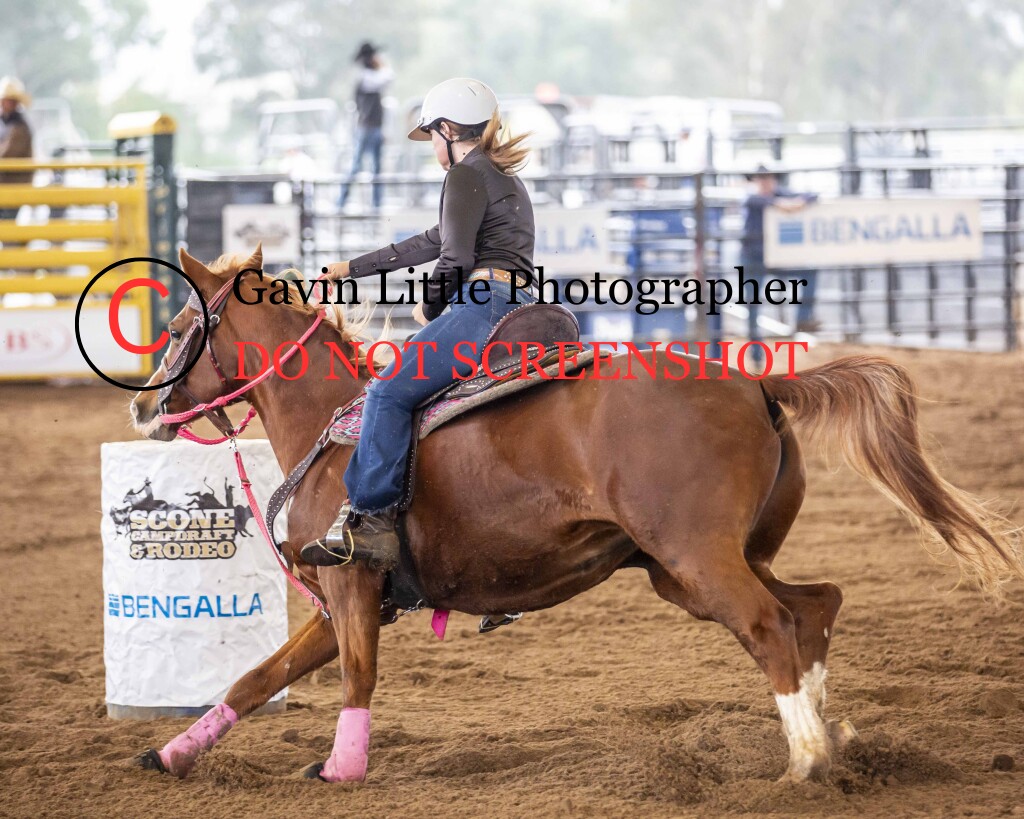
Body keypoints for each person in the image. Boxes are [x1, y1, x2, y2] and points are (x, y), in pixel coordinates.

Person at [302, 77, 536, 570]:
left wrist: (430, 306)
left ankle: (371, 521)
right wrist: (350, 269)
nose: (431, 145)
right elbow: (431, 241)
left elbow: (453, 257)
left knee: (386, 391)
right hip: (524, 306)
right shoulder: (503, 178)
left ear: (448, 129)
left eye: (431, 134)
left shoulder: (464, 175)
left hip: (484, 304)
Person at [740, 165, 818, 357]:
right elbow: (758, 201)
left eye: (768, 178)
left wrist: (797, 202)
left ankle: (802, 320)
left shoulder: (778, 195)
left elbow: (812, 195)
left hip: (773, 258)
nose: (765, 182)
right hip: (754, 258)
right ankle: (755, 348)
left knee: (810, 272)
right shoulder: (752, 198)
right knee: (752, 303)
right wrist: (783, 203)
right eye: (761, 178)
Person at [338, 42, 393, 211]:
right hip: (367, 127)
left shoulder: (365, 77)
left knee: (375, 168)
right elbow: (388, 78)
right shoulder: (365, 77)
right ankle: (341, 203)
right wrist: (382, 64)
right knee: (358, 166)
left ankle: (375, 205)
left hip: (372, 127)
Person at [0, 76, 33, 221]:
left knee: (6, 223)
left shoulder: (19, 127)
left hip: (12, 183)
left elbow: (6, 154)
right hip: (6, 183)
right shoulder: (7, 124)